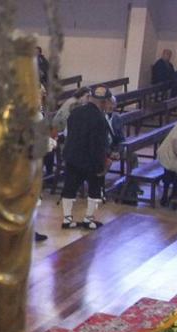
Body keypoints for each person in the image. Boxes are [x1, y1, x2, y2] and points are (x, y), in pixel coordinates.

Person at [61, 86, 112, 230]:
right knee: (94, 189)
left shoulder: (75, 112)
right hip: (90, 159)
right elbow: (99, 144)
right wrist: (102, 163)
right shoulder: (100, 119)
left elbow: (69, 133)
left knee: (69, 188)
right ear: (104, 102)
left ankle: (67, 219)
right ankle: (89, 219)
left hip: (72, 156)